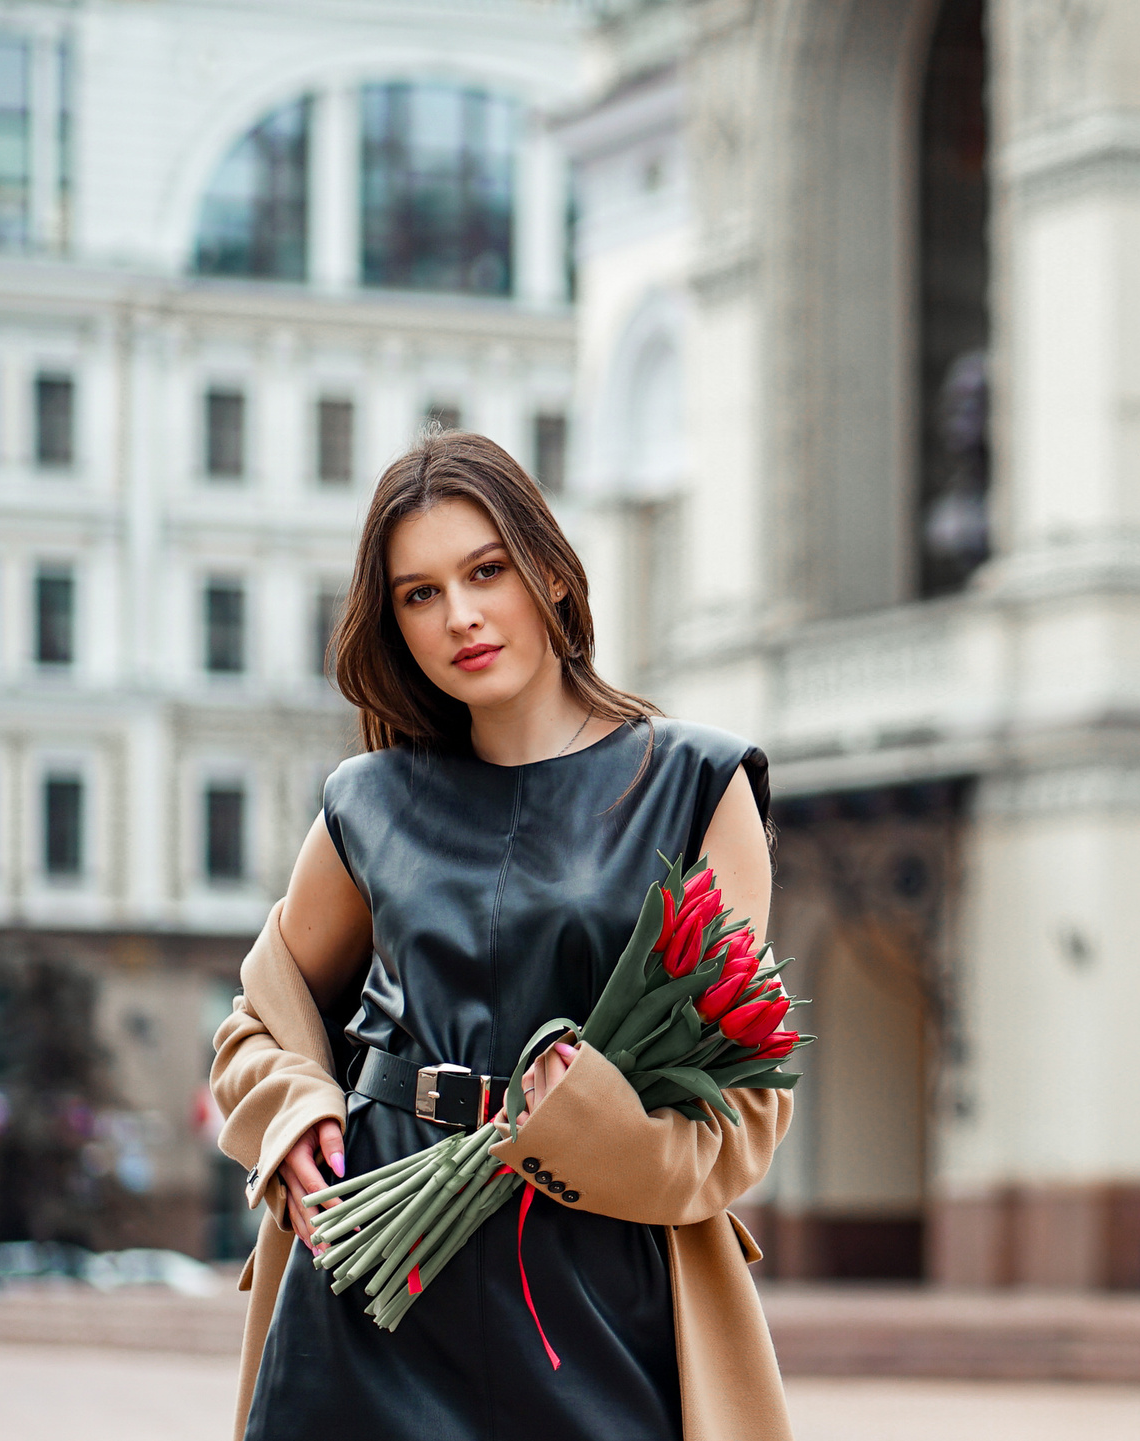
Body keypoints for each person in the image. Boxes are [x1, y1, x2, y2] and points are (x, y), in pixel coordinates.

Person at [209, 432, 792, 1441]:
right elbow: (262, 1019)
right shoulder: (369, 802)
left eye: (486, 571)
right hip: (374, 1269)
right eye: (418, 593)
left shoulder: (698, 786)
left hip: (594, 1288)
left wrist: (588, 1121)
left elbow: (738, 1111)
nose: (461, 616)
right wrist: (295, 1112)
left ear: (553, 576)